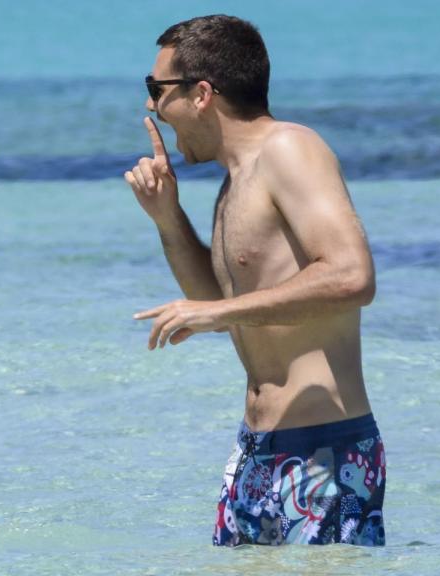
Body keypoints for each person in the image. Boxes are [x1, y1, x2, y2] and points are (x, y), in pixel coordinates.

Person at [124, 15, 384, 546]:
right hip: (256, 449)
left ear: (201, 94)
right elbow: (218, 306)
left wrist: (216, 312)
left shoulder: (290, 149)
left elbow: (353, 275)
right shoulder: (235, 180)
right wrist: (168, 218)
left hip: (323, 452)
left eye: (157, 89)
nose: (152, 106)